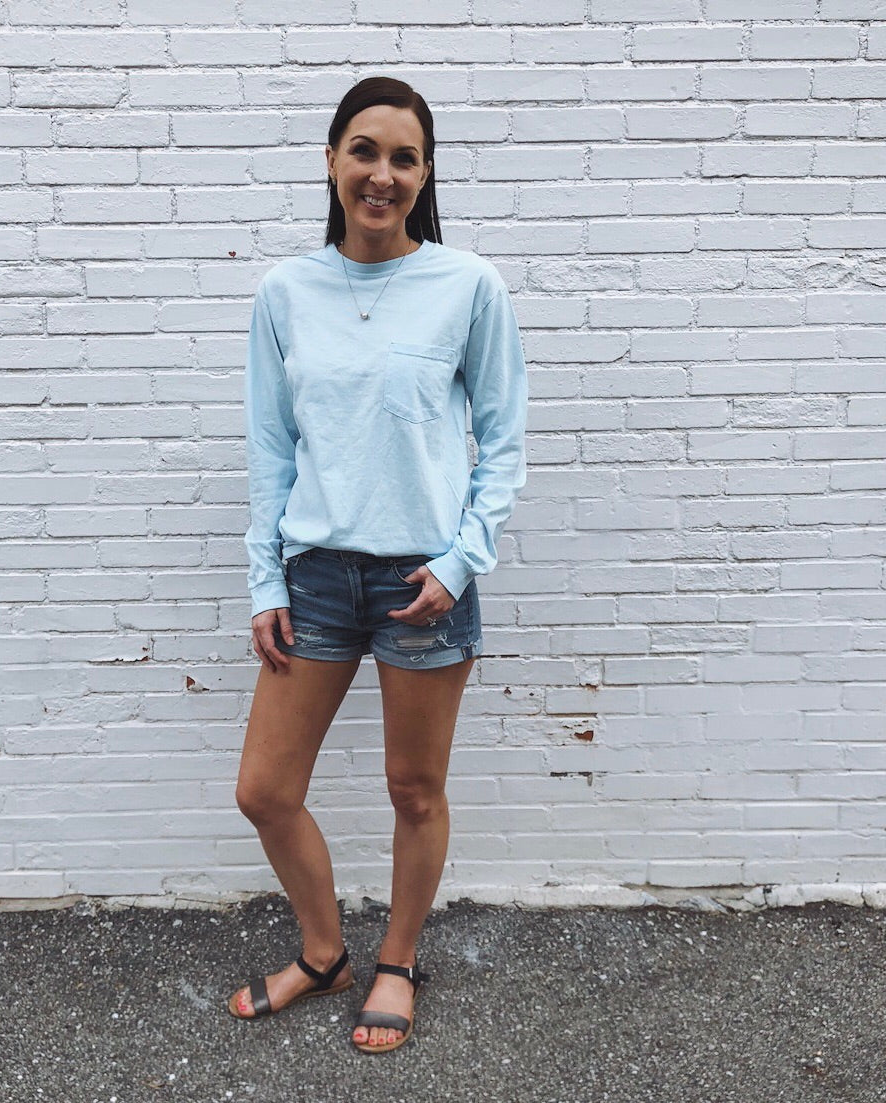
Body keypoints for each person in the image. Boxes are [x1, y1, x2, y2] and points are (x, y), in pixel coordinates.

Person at [228, 76, 528, 1054]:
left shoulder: (467, 286)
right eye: (364, 150)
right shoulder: (286, 292)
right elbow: (272, 449)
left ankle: (394, 958)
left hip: (423, 578)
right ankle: (324, 951)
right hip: (315, 572)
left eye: (404, 157)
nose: (382, 174)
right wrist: (267, 577)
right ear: (331, 160)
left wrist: (462, 559)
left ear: (426, 172)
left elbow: (503, 441)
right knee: (265, 789)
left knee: (414, 789)